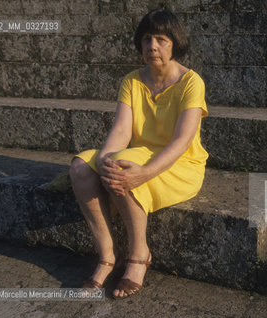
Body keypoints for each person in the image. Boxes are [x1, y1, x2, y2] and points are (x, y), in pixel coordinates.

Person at [69, 8, 208, 299]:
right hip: (139, 153)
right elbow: (121, 131)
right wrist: (105, 158)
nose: (152, 46)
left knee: (123, 169)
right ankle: (107, 256)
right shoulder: (131, 80)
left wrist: (143, 172)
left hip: (180, 164)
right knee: (83, 167)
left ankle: (138, 255)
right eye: (146, 39)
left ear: (175, 43)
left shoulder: (191, 82)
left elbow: (182, 140)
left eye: (161, 39)